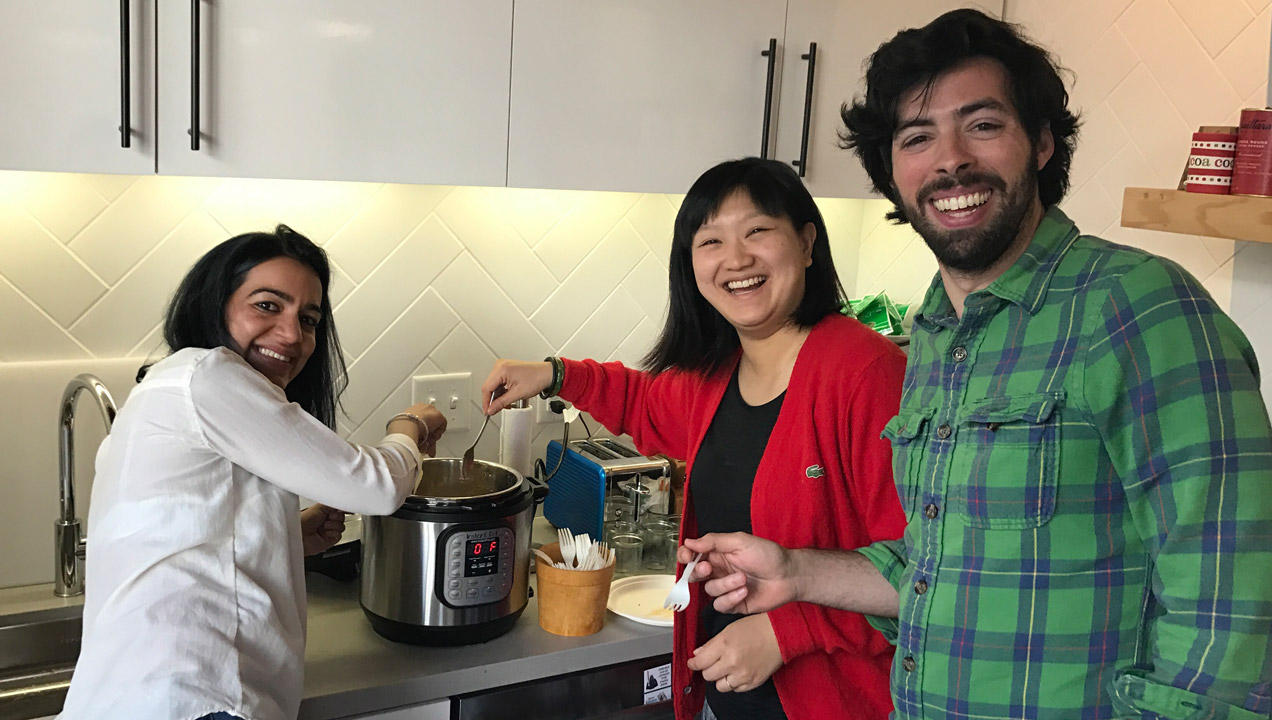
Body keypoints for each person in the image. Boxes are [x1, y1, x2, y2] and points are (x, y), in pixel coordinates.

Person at [682, 9, 1272, 720]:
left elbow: (1236, 590)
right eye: (917, 137)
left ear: (1044, 142)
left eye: (983, 125)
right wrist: (798, 571)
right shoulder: (936, 334)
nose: (950, 159)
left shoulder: (1137, 308)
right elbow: (936, 567)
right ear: (891, 170)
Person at [481, 157, 907, 720]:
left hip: (834, 701)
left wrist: (786, 633)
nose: (736, 259)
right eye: (711, 241)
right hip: (721, 695)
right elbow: (643, 400)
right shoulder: (719, 373)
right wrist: (556, 374)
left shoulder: (864, 372)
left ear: (807, 243)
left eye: (757, 231)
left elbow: (921, 572)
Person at [59, 226, 447, 720]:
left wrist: (285, 535)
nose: (292, 335)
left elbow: (182, 528)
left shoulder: (167, 386)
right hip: (199, 698)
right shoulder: (208, 375)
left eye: (308, 319)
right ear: (215, 304)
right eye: (267, 305)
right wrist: (410, 426)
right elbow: (378, 485)